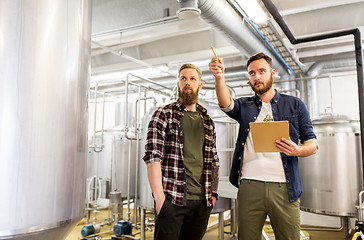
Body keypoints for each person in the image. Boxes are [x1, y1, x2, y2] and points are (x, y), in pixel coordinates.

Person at [209, 52, 318, 240]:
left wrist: (297, 150)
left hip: (285, 187)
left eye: (261, 71)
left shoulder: (295, 105)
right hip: (250, 185)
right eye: (252, 73)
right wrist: (220, 77)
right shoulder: (244, 106)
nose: (257, 77)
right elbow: (225, 104)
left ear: (272, 72)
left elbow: (312, 143)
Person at [143, 63, 220, 240]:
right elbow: (153, 157)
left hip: (202, 201)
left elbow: (214, 160)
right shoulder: (164, 114)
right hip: (172, 199)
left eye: (192, 79)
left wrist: (213, 194)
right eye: (183, 78)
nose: (187, 82)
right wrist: (160, 199)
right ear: (178, 83)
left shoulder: (207, 120)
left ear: (200, 85)